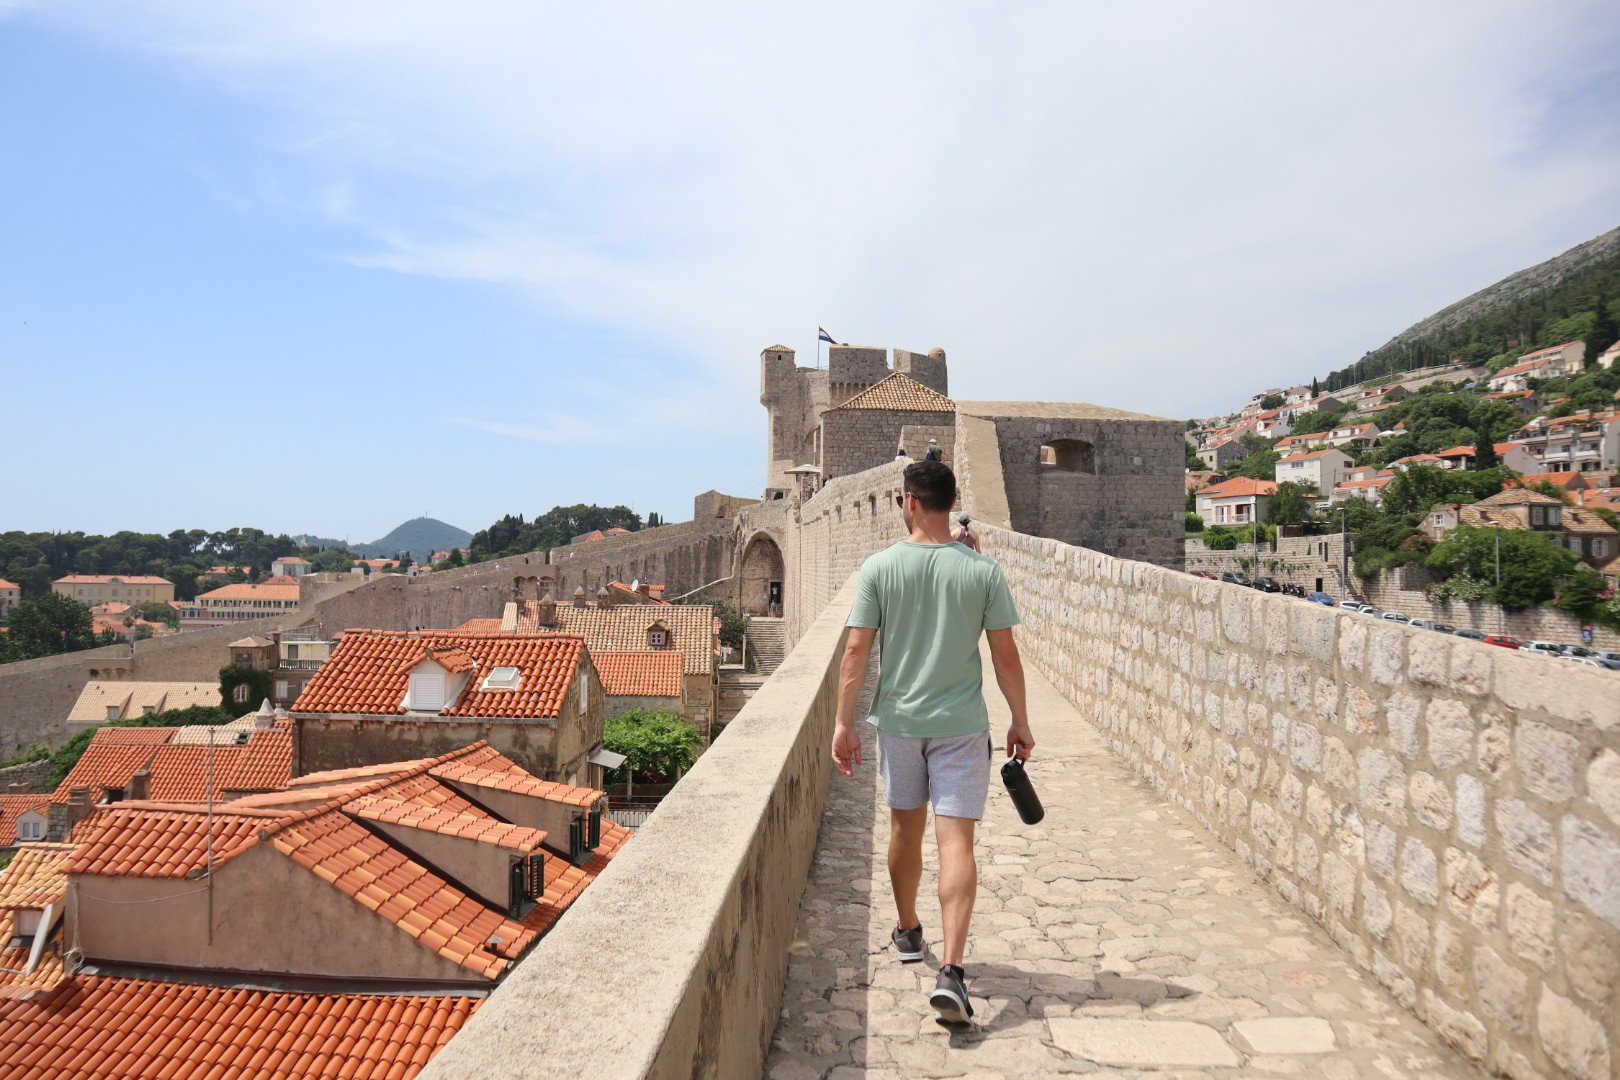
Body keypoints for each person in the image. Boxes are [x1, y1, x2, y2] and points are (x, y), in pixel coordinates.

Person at [830, 460, 1033, 1025]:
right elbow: (1006, 655)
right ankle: (954, 971)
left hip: (899, 721)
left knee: (904, 829)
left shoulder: (879, 568)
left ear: (910, 502)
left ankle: (909, 931)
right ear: (949, 502)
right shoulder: (983, 571)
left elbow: (855, 652)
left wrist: (844, 723)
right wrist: (1019, 719)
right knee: (957, 844)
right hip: (963, 725)